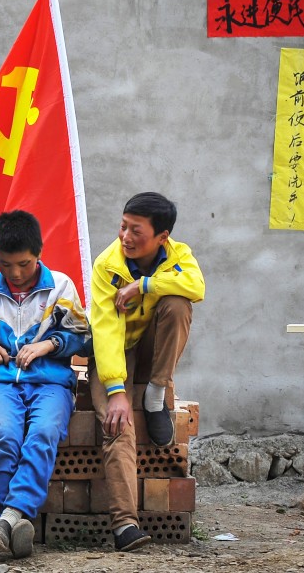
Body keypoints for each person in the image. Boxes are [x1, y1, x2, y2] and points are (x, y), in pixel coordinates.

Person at [89, 192, 205, 551]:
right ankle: (125, 524)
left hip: (151, 347)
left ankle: (156, 393)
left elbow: (196, 287)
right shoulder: (107, 265)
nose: (125, 237)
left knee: (177, 304)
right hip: (115, 351)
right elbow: (105, 330)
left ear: (162, 237)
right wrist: (116, 391)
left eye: (136, 230)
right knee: (116, 424)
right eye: (123, 226)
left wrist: (146, 285)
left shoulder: (179, 256)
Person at [0, 211, 91, 559]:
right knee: (4, 439)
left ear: (39, 253)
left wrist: (49, 345)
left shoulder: (62, 287)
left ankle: (6, 519)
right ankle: (15, 523)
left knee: (42, 435)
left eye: (24, 263)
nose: (16, 273)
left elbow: (83, 338)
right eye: (6, 265)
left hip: (52, 384)